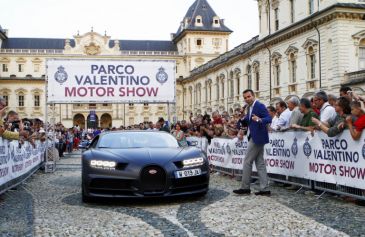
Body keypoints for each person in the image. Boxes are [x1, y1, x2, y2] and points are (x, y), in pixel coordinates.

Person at [233, 89, 272, 196]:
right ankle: (265, 189)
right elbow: (246, 122)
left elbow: (269, 118)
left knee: (247, 161)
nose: (247, 99)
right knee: (260, 163)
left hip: (257, 138)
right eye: (245, 97)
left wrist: (259, 120)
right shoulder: (249, 107)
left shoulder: (259, 105)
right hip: (253, 137)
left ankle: (245, 188)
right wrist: (241, 117)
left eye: (248, 97)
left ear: (253, 96)